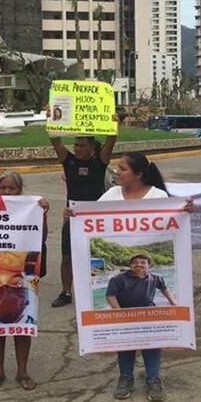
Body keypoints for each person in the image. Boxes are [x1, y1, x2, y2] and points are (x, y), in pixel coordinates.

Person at [66, 152, 192, 402]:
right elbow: (87, 218)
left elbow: (175, 224)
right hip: (123, 309)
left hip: (148, 310)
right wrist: (72, 215)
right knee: (124, 339)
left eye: (122, 169)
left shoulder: (158, 197)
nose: (116, 172)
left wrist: (185, 211)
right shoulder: (111, 196)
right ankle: (125, 377)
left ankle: (153, 377)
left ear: (139, 174)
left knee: (152, 339)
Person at [0, 171, 50, 391]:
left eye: (12, 188)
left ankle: (22, 371)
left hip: (23, 278)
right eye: (3, 188)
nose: (7, 192)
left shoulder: (30, 208)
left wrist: (42, 215)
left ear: (20, 190)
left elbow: (40, 238)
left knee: (22, 326)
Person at [49, 122, 117, 308]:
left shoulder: (99, 163)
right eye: (76, 145)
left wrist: (112, 124)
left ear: (91, 148)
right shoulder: (68, 161)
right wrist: (52, 120)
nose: (78, 149)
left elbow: (111, 141)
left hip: (95, 219)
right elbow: (55, 141)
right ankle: (66, 292)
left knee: (97, 255)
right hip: (71, 217)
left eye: (82, 146)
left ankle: (100, 290)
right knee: (67, 256)